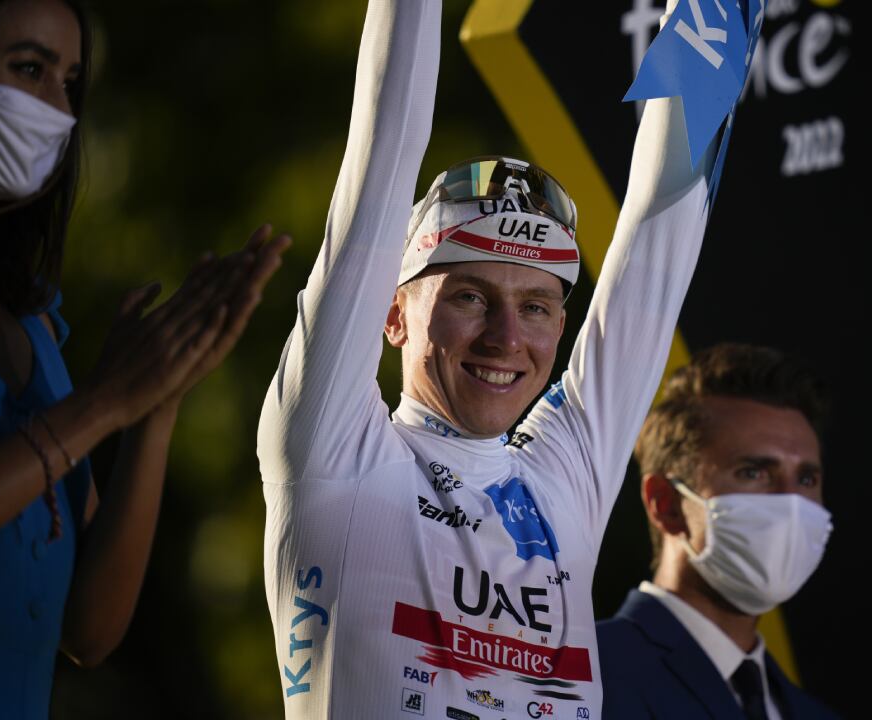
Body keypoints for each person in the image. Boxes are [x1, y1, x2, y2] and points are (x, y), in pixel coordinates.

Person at [256, 0, 732, 716]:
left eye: (535, 307)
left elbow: (664, 223)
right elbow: (384, 147)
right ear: (393, 313)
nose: (506, 338)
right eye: (471, 297)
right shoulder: (335, 449)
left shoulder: (562, 480)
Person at [0, 0, 289, 716]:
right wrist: (99, 407)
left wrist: (154, 406)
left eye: (70, 83)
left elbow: (88, 632)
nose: (56, 109)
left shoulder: (33, 323)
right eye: (28, 68)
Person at [597, 344, 841, 719]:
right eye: (753, 472)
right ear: (665, 503)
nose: (792, 504)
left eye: (806, 478)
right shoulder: (580, 677)